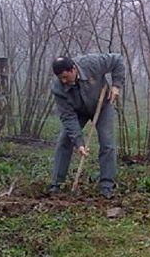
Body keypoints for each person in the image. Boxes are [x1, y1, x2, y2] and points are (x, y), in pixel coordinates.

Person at [49, 54, 125, 198]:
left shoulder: (92, 63)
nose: (63, 81)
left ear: (73, 69)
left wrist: (116, 85)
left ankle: (107, 186)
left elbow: (117, 60)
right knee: (64, 141)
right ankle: (56, 184)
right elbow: (67, 116)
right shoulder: (58, 87)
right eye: (60, 78)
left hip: (103, 105)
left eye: (65, 77)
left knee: (107, 142)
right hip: (77, 111)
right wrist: (79, 143)